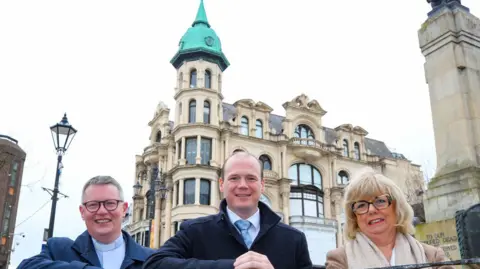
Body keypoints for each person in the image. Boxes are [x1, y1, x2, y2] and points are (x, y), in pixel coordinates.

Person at [143, 151, 312, 269]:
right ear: (222, 184)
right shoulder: (195, 231)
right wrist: (230, 266)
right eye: (234, 178)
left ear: (262, 185)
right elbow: (154, 264)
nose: (243, 185)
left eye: (251, 178)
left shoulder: (294, 239)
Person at [325, 168, 453, 269]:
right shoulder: (340, 260)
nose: (371, 210)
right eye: (361, 205)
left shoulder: (433, 256)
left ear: (397, 208)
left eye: (380, 201)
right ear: (354, 216)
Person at [18, 176, 154, 269]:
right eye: (93, 205)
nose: (102, 211)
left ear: (124, 209)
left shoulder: (152, 260)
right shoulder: (57, 250)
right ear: (82, 212)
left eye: (110, 203)